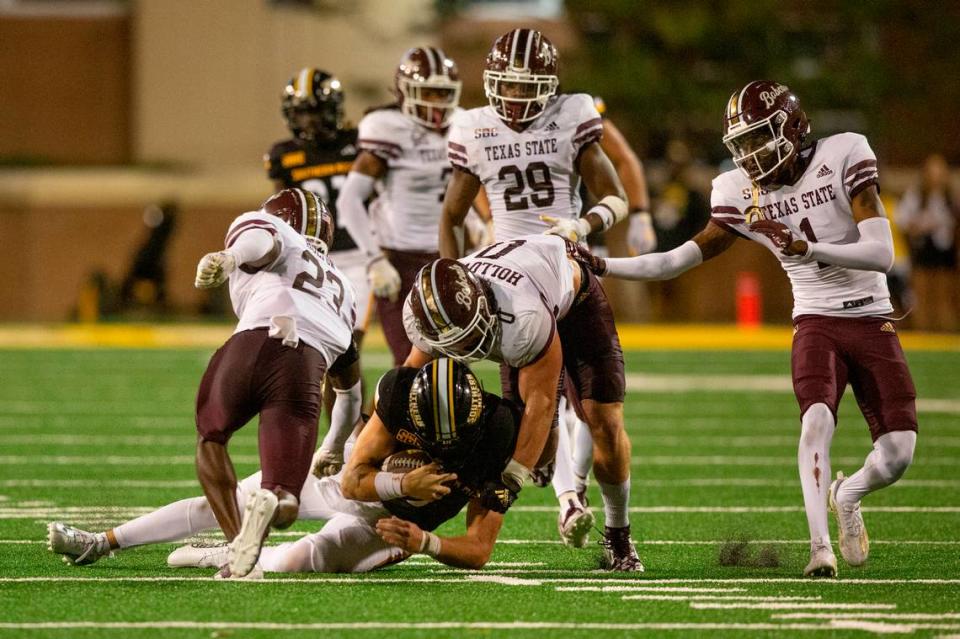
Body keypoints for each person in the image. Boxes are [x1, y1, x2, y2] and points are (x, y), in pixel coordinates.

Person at [577, 81, 918, 578]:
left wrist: (807, 248)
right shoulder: (740, 191)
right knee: (816, 419)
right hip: (815, 319)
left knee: (897, 455)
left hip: (870, 314)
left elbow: (881, 254)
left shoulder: (845, 152)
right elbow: (678, 259)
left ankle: (847, 494)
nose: (751, 156)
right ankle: (819, 549)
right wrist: (605, 266)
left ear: (792, 128)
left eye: (760, 139)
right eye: (743, 145)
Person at [56, 187, 359, 579]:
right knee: (284, 497)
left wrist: (229, 257)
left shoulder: (277, 231)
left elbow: (262, 240)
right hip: (307, 368)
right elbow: (350, 392)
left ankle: (238, 552)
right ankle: (265, 511)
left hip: (258, 341)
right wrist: (333, 446)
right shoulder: (343, 288)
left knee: (212, 439)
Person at [437, 28, 635, 550]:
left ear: (550, 86)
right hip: (511, 285)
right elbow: (453, 215)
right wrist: (450, 277)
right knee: (529, 434)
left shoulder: (572, 115)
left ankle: (618, 533)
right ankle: (556, 501)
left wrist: (582, 225)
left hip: (568, 270)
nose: (517, 98)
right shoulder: (474, 128)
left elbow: (615, 197)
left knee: (604, 420)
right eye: (508, 86)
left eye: (528, 88)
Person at [48, 359, 520, 574]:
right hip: (358, 486)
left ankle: (232, 556)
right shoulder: (398, 393)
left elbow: (479, 549)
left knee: (299, 560)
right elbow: (355, 482)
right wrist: (402, 481)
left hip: (394, 526)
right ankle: (103, 541)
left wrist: (425, 540)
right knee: (238, 501)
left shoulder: (500, 438)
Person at [400, 234, 644, 571]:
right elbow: (404, 382)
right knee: (540, 451)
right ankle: (556, 478)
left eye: (470, 336)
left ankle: (619, 535)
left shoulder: (522, 318)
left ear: (482, 305)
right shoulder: (426, 317)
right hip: (525, 298)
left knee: (603, 420)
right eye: (456, 343)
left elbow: (543, 403)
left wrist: (511, 480)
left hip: (575, 304)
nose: (467, 348)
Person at [264, 68, 365, 465]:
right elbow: (280, 210)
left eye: (315, 111)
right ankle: (344, 438)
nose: (308, 120)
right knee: (327, 351)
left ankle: (352, 439)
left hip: (359, 255)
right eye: (301, 112)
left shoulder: (358, 143)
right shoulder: (283, 153)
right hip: (315, 258)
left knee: (343, 349)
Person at [337, 47, 462, 366]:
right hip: (400, 258)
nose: (436, 102)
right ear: (405, 91)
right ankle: (384, 416)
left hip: (449, 255)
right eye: (428, 92)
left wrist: (479, 224)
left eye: (442, 93)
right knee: (410, 360)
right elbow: (349, 200)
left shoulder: (463, 125)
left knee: (453, 357)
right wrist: (375, 259)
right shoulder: (388, 127)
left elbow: (467, 186)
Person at [897, 154, 959, 331]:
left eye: (940, 170)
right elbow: (902, 219)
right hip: (923, 251)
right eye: (932, 170)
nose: (936, 175)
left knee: (945, 296)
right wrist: (918, 227)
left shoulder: (950, 197)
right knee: (922, 295)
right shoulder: (916, 195)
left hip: (946, 254)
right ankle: (924, 332)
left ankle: (946, 335)